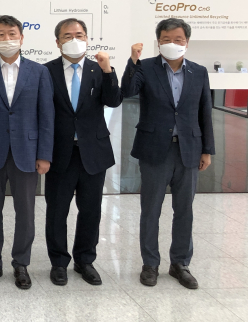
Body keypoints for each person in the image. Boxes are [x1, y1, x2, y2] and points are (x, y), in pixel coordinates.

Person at [121, 18, 214, 289]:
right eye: (166, 39)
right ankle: (150, 264)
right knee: (150, 210)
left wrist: (207, 150)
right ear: (158, 41)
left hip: (189, 150)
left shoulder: (199, 72)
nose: (172, 44)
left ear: (187, 42)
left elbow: (205, 112)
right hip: (154, 150)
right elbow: (127, 91)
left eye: (178, 39)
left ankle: (180, 263)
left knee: (184, 210)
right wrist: (133, 62)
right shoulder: (146, 67)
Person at [0, 14, 54, 290]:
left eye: (12, 33)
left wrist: (44, 154)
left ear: (21, 37)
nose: (7, 39)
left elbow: (46, 115)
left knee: (25, 212)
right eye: (1, 35)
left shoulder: (39, 72)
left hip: (27, 151)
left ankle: (21, 263)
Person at [43, 18, 122, 286]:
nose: (74, 39)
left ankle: (85, 260)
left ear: (87, 39)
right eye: (67, 36)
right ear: (58, 42)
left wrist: (108, 70)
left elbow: (113, 100)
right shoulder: (46, 71)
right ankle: (58, 262)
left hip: (93, 152)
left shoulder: (100, 69)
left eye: (79, 35)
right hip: (59, 152)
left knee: (91, 210)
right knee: (57, 211)